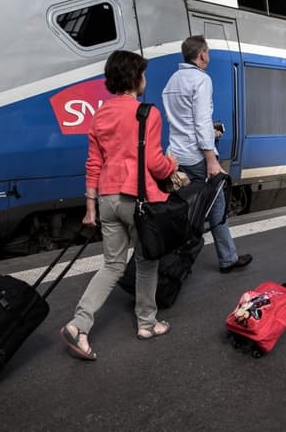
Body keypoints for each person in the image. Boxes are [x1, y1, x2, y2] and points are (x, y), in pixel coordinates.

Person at [60, 50, 178, 360]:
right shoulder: (147, 113)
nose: (145, 80)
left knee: (112, 265)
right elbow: (153, 162)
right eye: (143, 74)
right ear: (136, 78)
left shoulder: (100, 115)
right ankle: (146, 324)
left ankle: (78, 324)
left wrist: (90, 206)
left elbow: (93, 162)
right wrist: (171, 165)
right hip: (137, 200)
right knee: (147, 261)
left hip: (107, 199)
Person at [162, 35, 252, 273]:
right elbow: (200, 121)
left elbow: (183, 120)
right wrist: (211, 160)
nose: (208, 57)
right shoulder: (201, 80)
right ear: (201, 55)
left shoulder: (172, 81)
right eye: (208, 53)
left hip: (176, 154)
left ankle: (176, 262)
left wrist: (209, 131)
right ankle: (228, 258)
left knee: (182, 208)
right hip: (197, 156)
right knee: (216, 204)